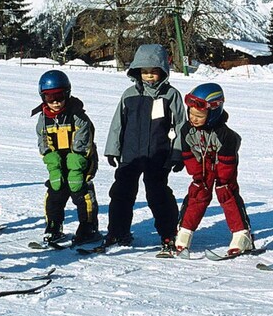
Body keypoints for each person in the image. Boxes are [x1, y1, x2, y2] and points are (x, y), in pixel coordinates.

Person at [102, 44, 186, 253]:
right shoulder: (129, 94)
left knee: (158, 194)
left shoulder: (171, 95)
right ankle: (118, 231)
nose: (149, 76)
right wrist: (113, 149)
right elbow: (118, 123)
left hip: (158, 154)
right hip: (130, 154)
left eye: (154, 71)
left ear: (163, 71)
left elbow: (181, 125)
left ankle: (168, 233)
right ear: (137, 71)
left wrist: (178, 153)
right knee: (121, 193)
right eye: (144, 71)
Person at [175, 82, 254, 256]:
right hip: (202, 165)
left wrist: (223, 179)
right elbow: (188, 154)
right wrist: (197, 175)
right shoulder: (187, 130)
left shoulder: (226, 135)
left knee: (226, 193)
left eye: (199, 115)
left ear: (213, 113)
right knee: (198, 192)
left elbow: (227, 163)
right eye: (191, 114)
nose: (193, 118)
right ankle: (184, 232)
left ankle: (242, 235)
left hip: (223, 166)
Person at [34, 69, 100, 246]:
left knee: (80, 190)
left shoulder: (78, 116)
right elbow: (43, 142)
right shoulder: (43, 119)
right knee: (55, 191)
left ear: (67, 94)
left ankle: (88, 227)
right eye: (50, 97)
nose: (55, 102)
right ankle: (54, 225)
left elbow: (83, 142)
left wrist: (77, 166)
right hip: (59, 162)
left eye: (59, 96)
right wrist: (52, 163)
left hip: (82, 161)